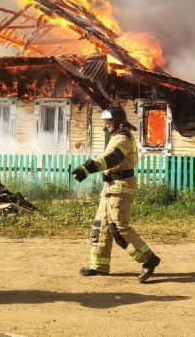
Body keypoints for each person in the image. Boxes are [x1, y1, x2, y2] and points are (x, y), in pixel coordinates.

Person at [72, 107, 161, 283]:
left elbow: (113, 158)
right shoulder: (117, 137)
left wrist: (88, 167)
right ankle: (99, 266)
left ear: (118, 122)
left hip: (121, 187)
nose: (106, 126)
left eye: (109, 123)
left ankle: (148, 259)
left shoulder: (123, 138)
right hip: (110, 187)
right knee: (101, 227)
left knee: (118, 228)